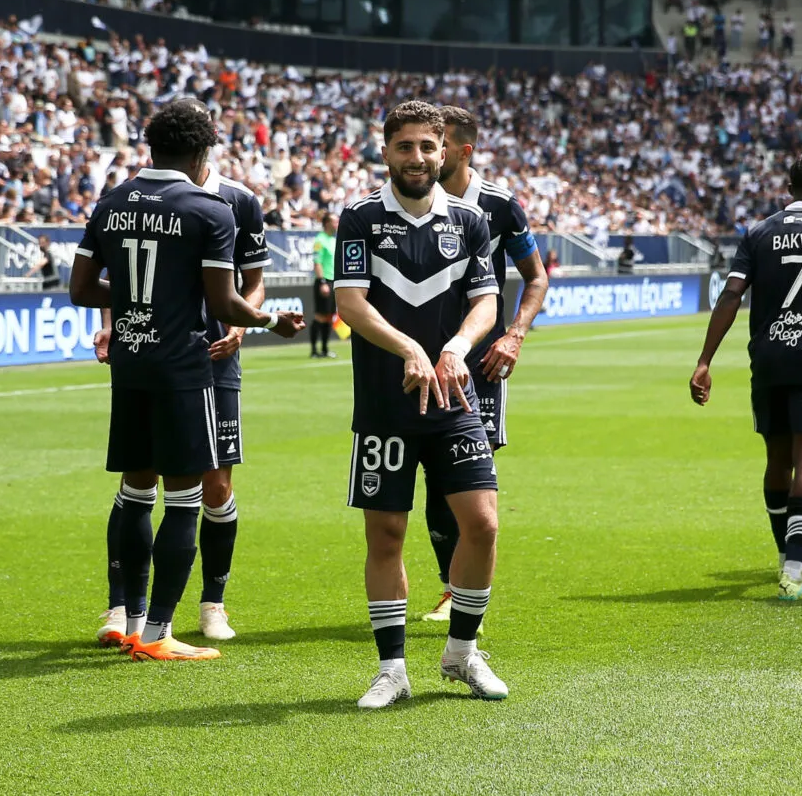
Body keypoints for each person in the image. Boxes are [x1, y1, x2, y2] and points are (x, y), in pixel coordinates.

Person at [70, 99, 302, 662]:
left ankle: (128, 617)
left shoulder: (112, 202)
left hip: (131, 363)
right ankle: (155, 635)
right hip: (184, 368)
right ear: (203, 151)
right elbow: (225, 301)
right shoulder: (208, 208)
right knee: (183, 496)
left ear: (150, 146)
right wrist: (273, 321)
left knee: (133, 488)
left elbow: (81, 290)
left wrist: (141, 304)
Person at [333, 100, 508, 709]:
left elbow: (485, 302)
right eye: (404, 146)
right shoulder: (358, 217)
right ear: (386, 151)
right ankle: (391, 670)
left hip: (455, 398)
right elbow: (351, 302)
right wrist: (410, 347)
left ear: (446, 150)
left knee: (482, 524)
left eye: (426, 147)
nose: (416, 158)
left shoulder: (470, 221)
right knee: (386, 534)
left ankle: (461, 654)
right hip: (385, 404)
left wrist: (457, 346)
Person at [689, 153, 802, 601]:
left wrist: (704, 360)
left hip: (768, 361)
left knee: (777, 459)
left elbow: (732, 295)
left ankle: (786, 556)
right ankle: (794, 570)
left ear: (788, 188)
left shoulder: (758, 233)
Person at [419, 105, 548, 625]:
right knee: (433, 482)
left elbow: (535, 277)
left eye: (439, 142)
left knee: (470, 480)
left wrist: (514, 335)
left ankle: (464, 593)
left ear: (463, 150)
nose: (431, 151)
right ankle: (452, 586)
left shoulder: (499, 205)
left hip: (479, 365)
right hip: (421, 361)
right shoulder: (407, 200)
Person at [311, 211, 339, 358]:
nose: (337, 224)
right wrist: (322, 282)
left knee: (329, 316)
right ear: (327, 223)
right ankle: (314, 350)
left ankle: (325, 349)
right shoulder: (319, 240)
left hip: (334, 281)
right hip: (324, 281)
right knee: (320, 316)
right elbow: (317, 262)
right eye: (335, 221)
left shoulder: (334, 240)